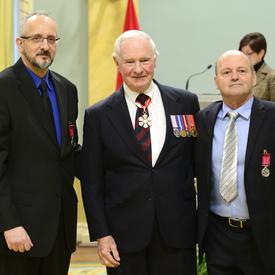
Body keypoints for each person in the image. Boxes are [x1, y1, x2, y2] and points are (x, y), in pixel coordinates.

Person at [81, 30, 199, 275]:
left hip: (177, 234)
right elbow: (92, 183)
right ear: (117, 63)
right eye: (129, 61)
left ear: (155, 60)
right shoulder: (98, 115)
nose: (138, 69)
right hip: (124, 237)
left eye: (144, 60)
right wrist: (102, 234)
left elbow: (199, 165)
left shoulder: (186, 103)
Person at [0, 12, 80, 275]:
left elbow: (68, 151)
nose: (45, 46)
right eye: (36, 38)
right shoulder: (4, 88)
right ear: (19, 43)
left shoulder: (67, 89)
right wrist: (9, 224)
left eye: (50, 39)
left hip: (60, 229)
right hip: (18, 232)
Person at [195, 50, 275, 275]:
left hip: (262, 236)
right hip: (218, 235)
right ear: (216, 80)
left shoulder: (271, 118)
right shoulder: (204, 119)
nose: (234, 77)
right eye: (226, 72)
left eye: (242, 71)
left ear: (253, 77)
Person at [239, 32, 275, 101]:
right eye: (242, 54)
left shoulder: (271, 77)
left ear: (261, 53)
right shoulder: (239, 75)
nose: (245, 58)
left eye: (249, 54)